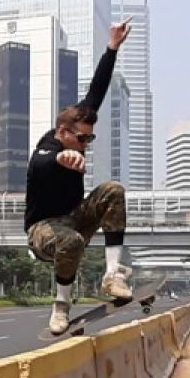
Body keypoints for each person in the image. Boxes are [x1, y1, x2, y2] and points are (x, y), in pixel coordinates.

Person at [25, 20, 133, 337]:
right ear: (63, 133)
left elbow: (97, 89)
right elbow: (38, 166)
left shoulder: (78, 124)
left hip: (75, 218)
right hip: (43, 231)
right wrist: (60, 157)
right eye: (82, 141)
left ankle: (113, 274)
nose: (86, 145)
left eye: (90, 139)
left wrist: (112, 47)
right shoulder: (48, 147)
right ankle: (60, 306)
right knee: (69, 240)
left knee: (113, 190)